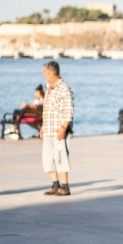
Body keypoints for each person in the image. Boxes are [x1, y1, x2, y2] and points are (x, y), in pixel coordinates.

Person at [41, 61, 74, 196]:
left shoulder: (64, 88)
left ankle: (65, 187)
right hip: (48, 129)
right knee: (47, 159)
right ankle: (55, 184)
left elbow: (68, 110)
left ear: (52, 73)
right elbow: (47, 110)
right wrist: (43, 127)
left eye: (45, 72)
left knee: (61, 159)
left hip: (59, 131)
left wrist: (63, 128)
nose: (43, 75)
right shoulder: (49, 88)